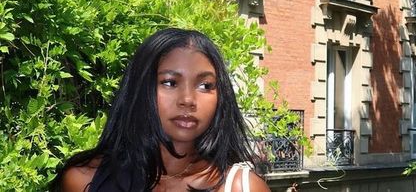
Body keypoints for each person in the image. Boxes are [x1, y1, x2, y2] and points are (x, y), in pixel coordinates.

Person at [55, 27, 271, 192]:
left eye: (205, 85)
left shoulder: (242, 187)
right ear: (140, 88)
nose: (188, 100)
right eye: (169, 82)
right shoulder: (83, 180)